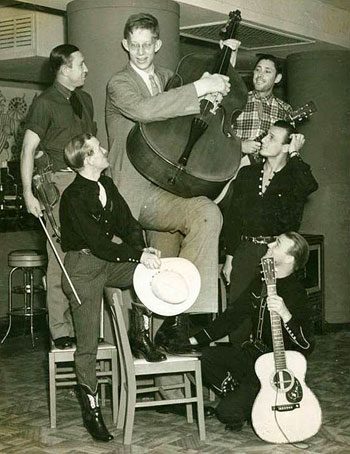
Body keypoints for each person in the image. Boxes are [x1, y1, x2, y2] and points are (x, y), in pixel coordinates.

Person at [105, 12, 239, 352]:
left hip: (171, 188)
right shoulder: (119, 84)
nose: (140, 51)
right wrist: (199, 88)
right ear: (125, 45)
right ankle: (187, 314)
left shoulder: (170, 77)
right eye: (133, 45)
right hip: (137, 195)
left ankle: (169, 374)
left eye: (146, 45)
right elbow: (147, 110)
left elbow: (202, 103)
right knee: (206, 213)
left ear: (158, 44)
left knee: (163, 286)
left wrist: (223, 65)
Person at [59, 132, 165, 442]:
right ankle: (92, 412)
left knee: (147, 275)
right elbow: (98, 244)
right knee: (88, 346)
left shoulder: (106, 185)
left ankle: (139, 334)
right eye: (98, 148)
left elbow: (127, 223)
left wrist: (144, 252)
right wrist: (137, 255)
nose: (105, 149)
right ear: (88, 159)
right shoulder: (75, 196)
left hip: (107, 263)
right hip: (83, 270)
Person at [188, 231, 314, 431]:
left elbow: (306, 344)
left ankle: (254, 400)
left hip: (276, 369)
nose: (270, 245)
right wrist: (194, 340)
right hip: (253, 356)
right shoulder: (261, 281)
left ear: (289, 258)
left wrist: (285, 313)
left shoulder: (296, 292)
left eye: (277, 244)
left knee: (227, 413)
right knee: (204, 357)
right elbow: (232, 316)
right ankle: (247, 397)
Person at [21, 44, 97, 349]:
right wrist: (28, 193)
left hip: (87, 186)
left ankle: (86, 326)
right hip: (60, 187)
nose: (86, 69)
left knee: (89, 260)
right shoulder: (45, 103)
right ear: (64, 70)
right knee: (60, 260)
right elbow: (27, 150)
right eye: (80, 64)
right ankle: (60, 329)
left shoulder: (85, 100)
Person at [222, 120, 318, 306]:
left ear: (285, 147)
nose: (264, 139)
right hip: (245, 251)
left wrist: (295, 153)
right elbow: (233, 219)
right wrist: (230, 258)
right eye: (267, 134)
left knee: (270, 314)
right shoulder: (247, 174)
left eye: (271, 137)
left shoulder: (294, 178)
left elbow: (310, 186)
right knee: (237, 318)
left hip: (276, 254)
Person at [232, 53, 292, 168]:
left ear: (277, 78)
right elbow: (218, 134)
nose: (260, 75)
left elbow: (285, 150)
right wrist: (239, 146)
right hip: (231, 165)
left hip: (264, 172)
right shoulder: (237, 99)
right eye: (258, 70)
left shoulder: (285, 109)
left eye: (267, 71)